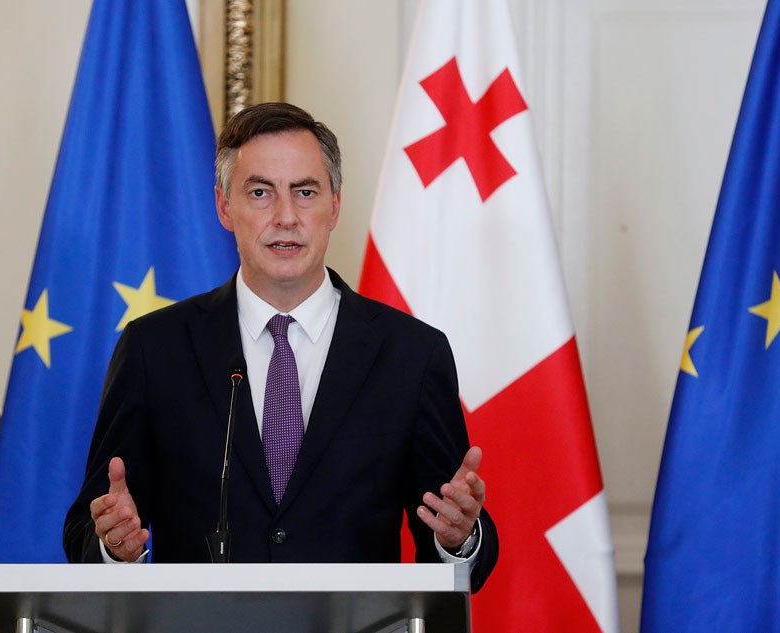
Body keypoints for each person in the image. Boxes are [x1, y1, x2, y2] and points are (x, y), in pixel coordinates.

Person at [63, 102, 498, 591]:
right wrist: (113, 546)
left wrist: (458, 540)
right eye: (260, 193)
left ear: (335, 206)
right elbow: (85, 531)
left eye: (305, 192)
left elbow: (457, 554)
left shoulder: (411, 355)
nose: (286, 217)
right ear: (224, 207)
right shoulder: (154, 349)